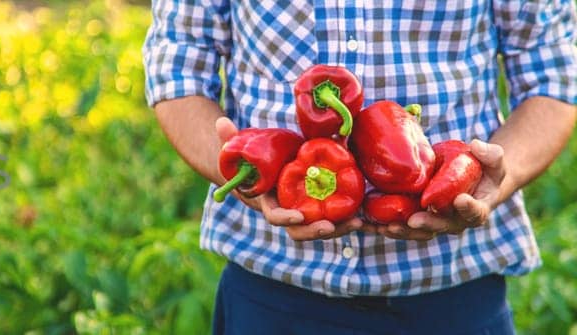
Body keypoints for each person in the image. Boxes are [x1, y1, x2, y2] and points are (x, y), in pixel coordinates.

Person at [143, 1, 577, 333]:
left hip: (455, 295)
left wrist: (491, 179)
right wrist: (240, 177)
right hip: (270, 295)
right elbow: (177, 67)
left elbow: (553, 78)